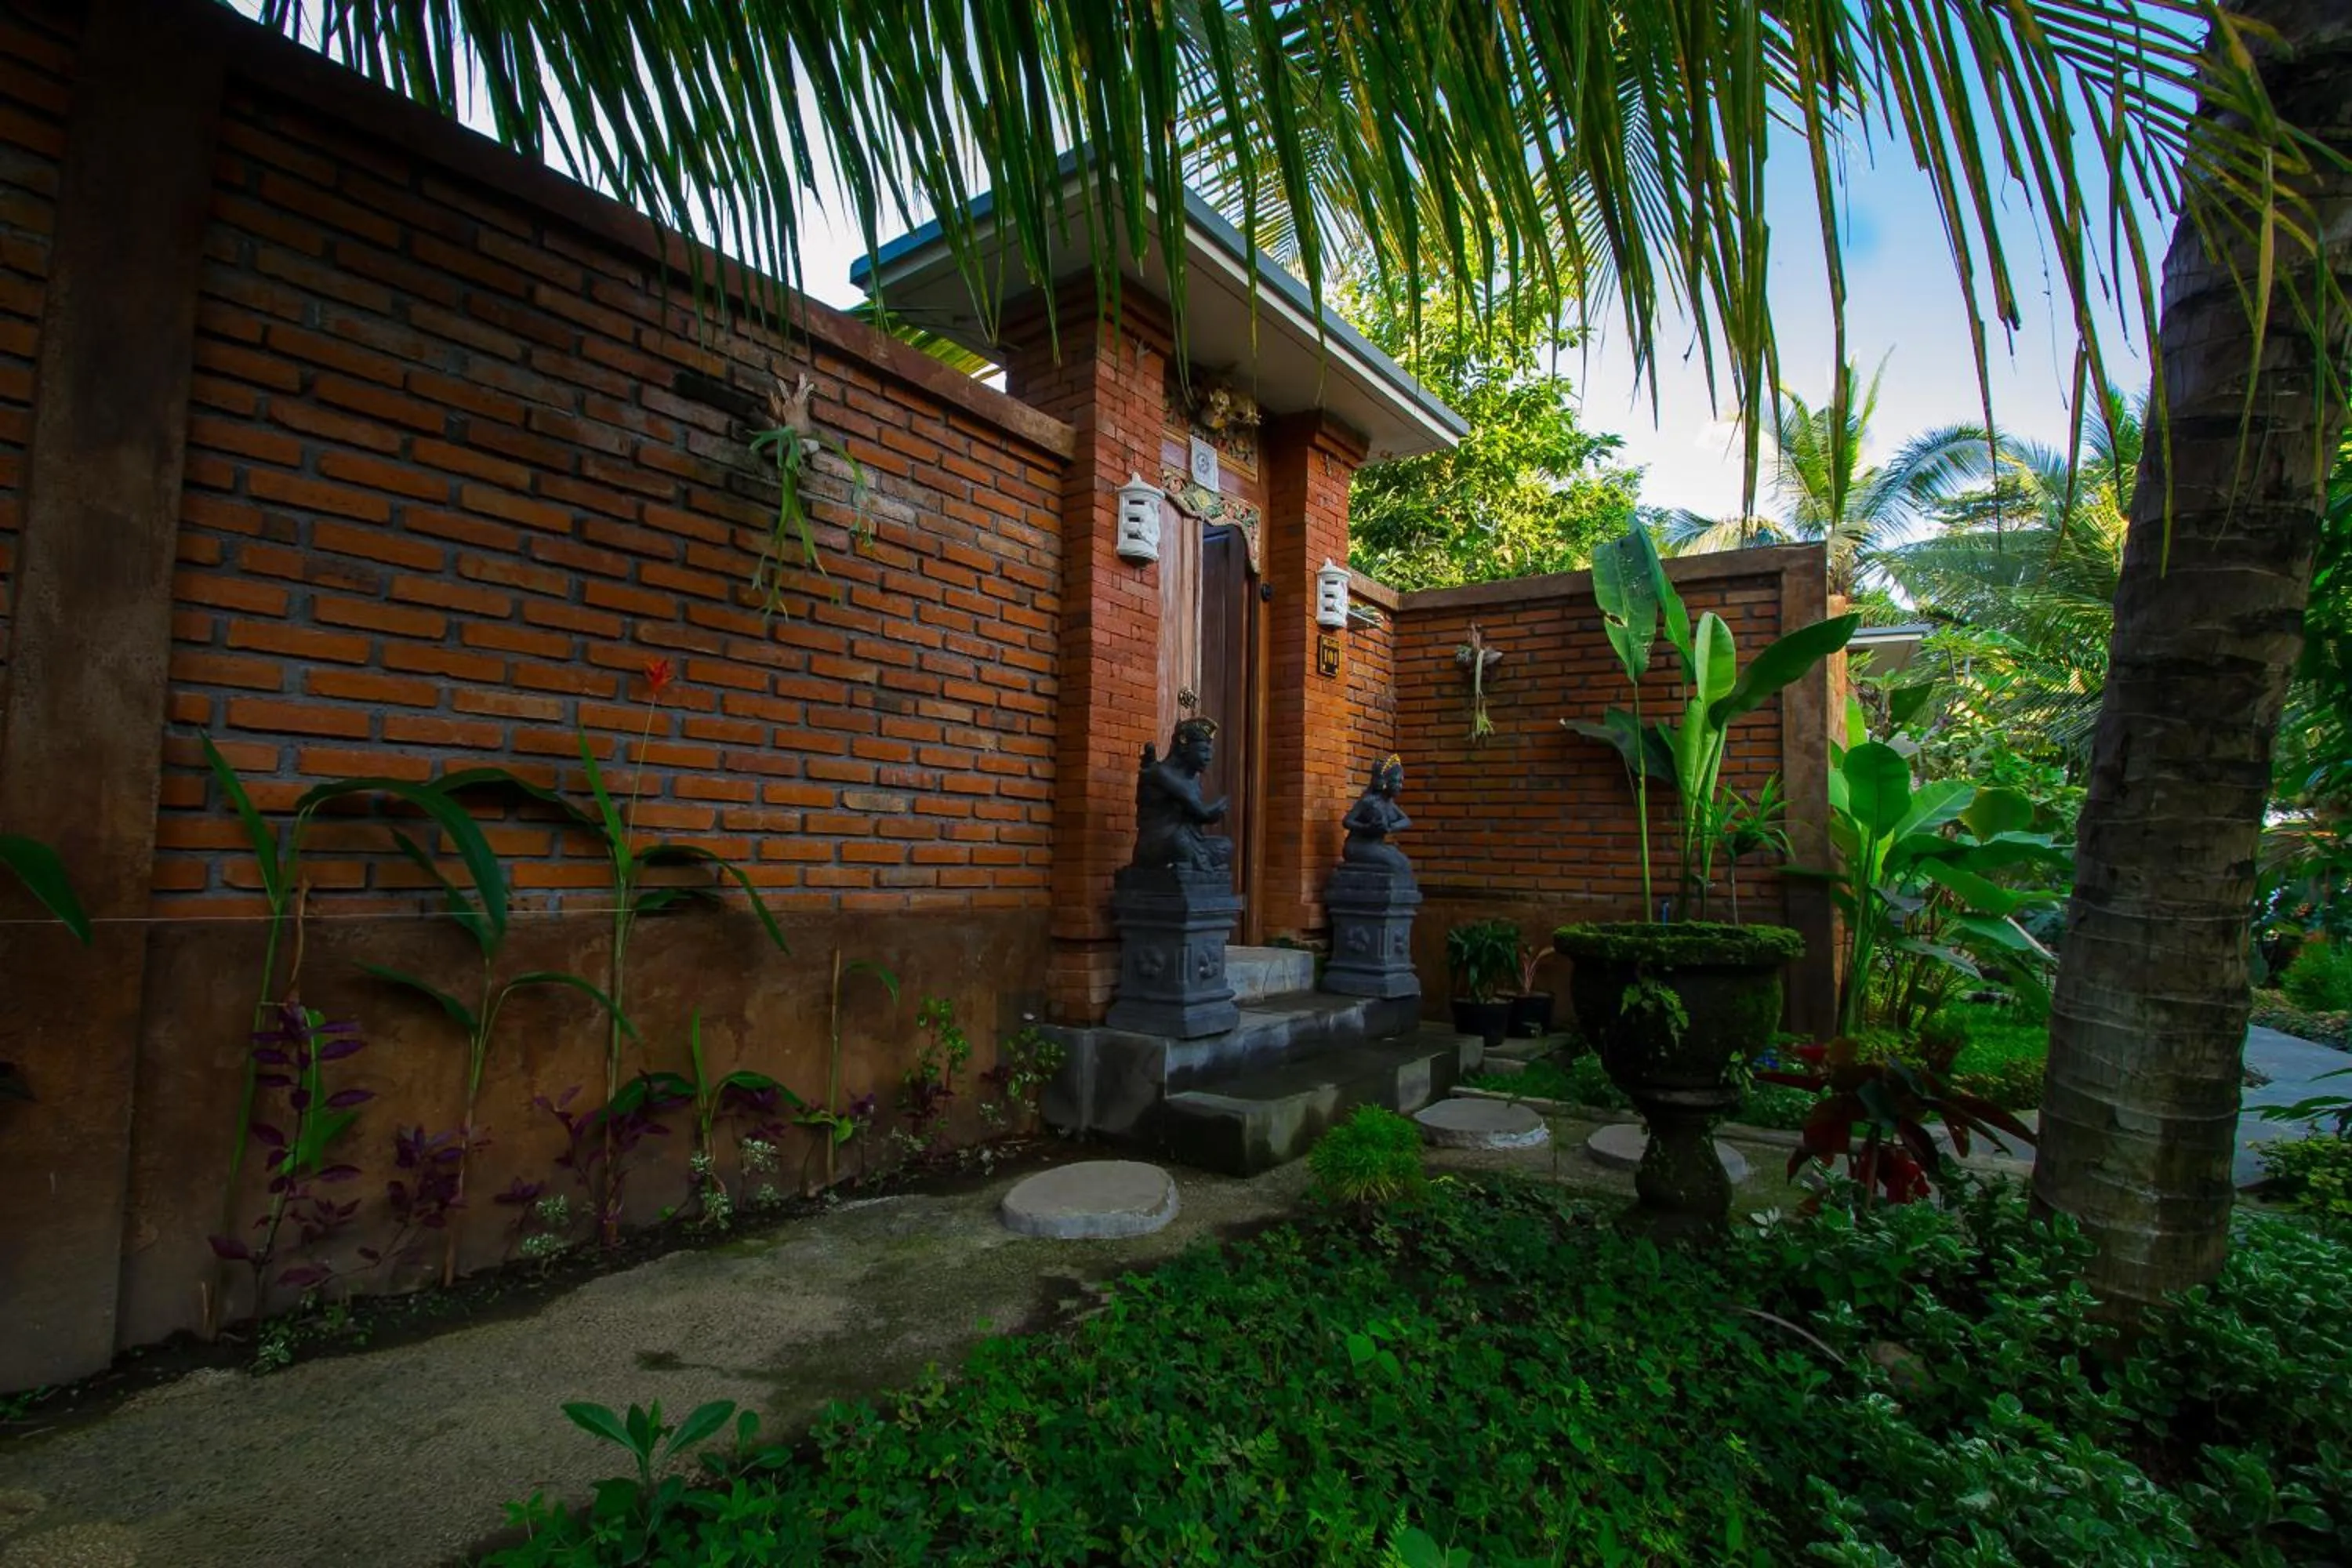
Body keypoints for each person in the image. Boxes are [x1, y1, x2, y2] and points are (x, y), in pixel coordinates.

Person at [1133, 717, 1232, 872]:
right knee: (1180, 843)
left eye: (1210, 751)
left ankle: (1190, 864)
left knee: (1225, 846)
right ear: (1184, 748)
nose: (1208, 757)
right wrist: (1222, 805)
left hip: (1187, 841)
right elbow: (1202, 813)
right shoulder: (1161, 773)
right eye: (1203, 750)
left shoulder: (1193, 780)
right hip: (1158, 844)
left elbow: (1196, 819)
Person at [1341, 754, 1410, 873]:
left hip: (1376, 845)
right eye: (1396, 782)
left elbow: (1406, 821)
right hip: (1358, 846)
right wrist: (1365, 827)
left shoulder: (1388, 803)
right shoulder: (1368, 801)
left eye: (1401, 782)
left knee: (1404, 861)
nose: (1399, 786)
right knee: (1394, 863)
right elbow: (1347, 821)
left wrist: (1390, 827)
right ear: (1385, 783)